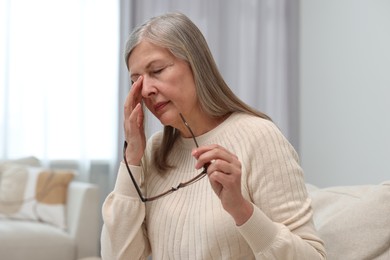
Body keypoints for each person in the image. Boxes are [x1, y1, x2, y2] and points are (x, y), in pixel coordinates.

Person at [101, 12, 326, 259]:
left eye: (157, 70)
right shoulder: (153, 151)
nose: (146, 90)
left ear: (196, 64)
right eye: (136, 81)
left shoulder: (259, 137)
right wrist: (132, 158)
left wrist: (241, 210)